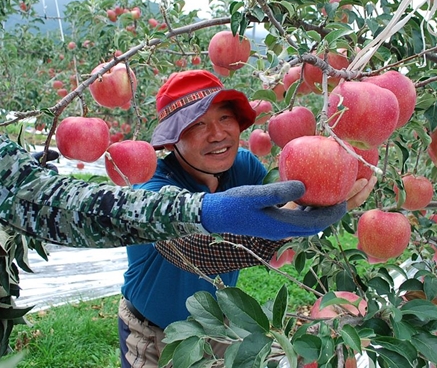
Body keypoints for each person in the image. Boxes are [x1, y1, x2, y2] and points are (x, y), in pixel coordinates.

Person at [0, 0, 351, 367]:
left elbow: (283, 193)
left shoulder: (242, 169)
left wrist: (336, 180)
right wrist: (211, 212)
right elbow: (38, 198)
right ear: (170, 142)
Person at [119, 70, 376, 368]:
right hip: (151, 332)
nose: (217, 134)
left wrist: (327, 186)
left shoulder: (244, 166)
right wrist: (286, 228)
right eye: (198, 124)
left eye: (225, 118)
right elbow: (198, 250)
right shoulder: (151, 189)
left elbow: (286, 205)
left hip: (218, 323)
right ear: (171, 140)